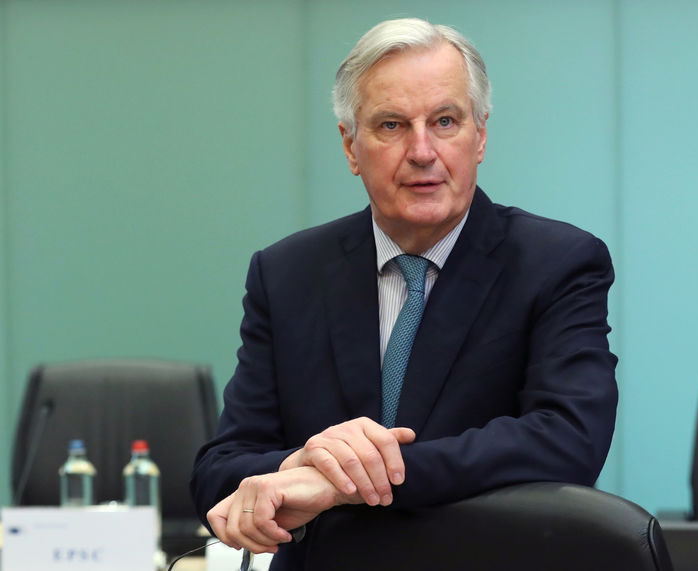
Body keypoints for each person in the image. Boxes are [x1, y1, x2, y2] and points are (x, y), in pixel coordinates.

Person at [191, 17, 618, 569]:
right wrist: (300, 463)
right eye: (391, 125)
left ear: (480, 136)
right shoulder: (287, 272)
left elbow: (568, 439)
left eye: (445, 121)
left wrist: (343, 483)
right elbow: (219, 470)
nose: (422, 150)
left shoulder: (556, 262)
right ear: (350, 146)